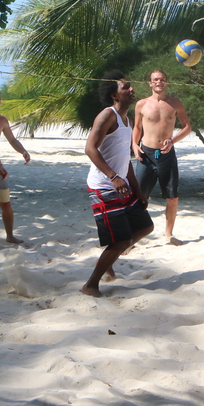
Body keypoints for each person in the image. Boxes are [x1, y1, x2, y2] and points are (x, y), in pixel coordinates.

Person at [82, 71, 154, 297]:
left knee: (145, 227)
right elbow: (90, 149)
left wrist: (138, 189)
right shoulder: (107, 116)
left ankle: (108, 257)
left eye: (131, 87)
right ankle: (90, 285)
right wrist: (113, 177)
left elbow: (126, 160)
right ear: (114, 95)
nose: (132, 90)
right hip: (103, 186)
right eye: (126, 88)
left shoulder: (126, 120)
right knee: (121, 238)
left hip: (121, 184)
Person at [132, 68, 192, 245]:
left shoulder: (175, 103)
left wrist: (172, 140)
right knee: (140, 197)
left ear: (166, 82)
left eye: (162, 79)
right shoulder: (141, 104)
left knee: (172, 197)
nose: (159, 82)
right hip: (146, 154)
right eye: (155, 79)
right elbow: (137, 128)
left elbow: (187, 127)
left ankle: (169, 235)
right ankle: (134, 237)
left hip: (167, 155)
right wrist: (134, 145)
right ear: (150, 83)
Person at [0, 88, 31, 244]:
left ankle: (10, 236)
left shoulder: (2, 120)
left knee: (6, 204)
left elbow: (12, 140)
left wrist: (23, 151)